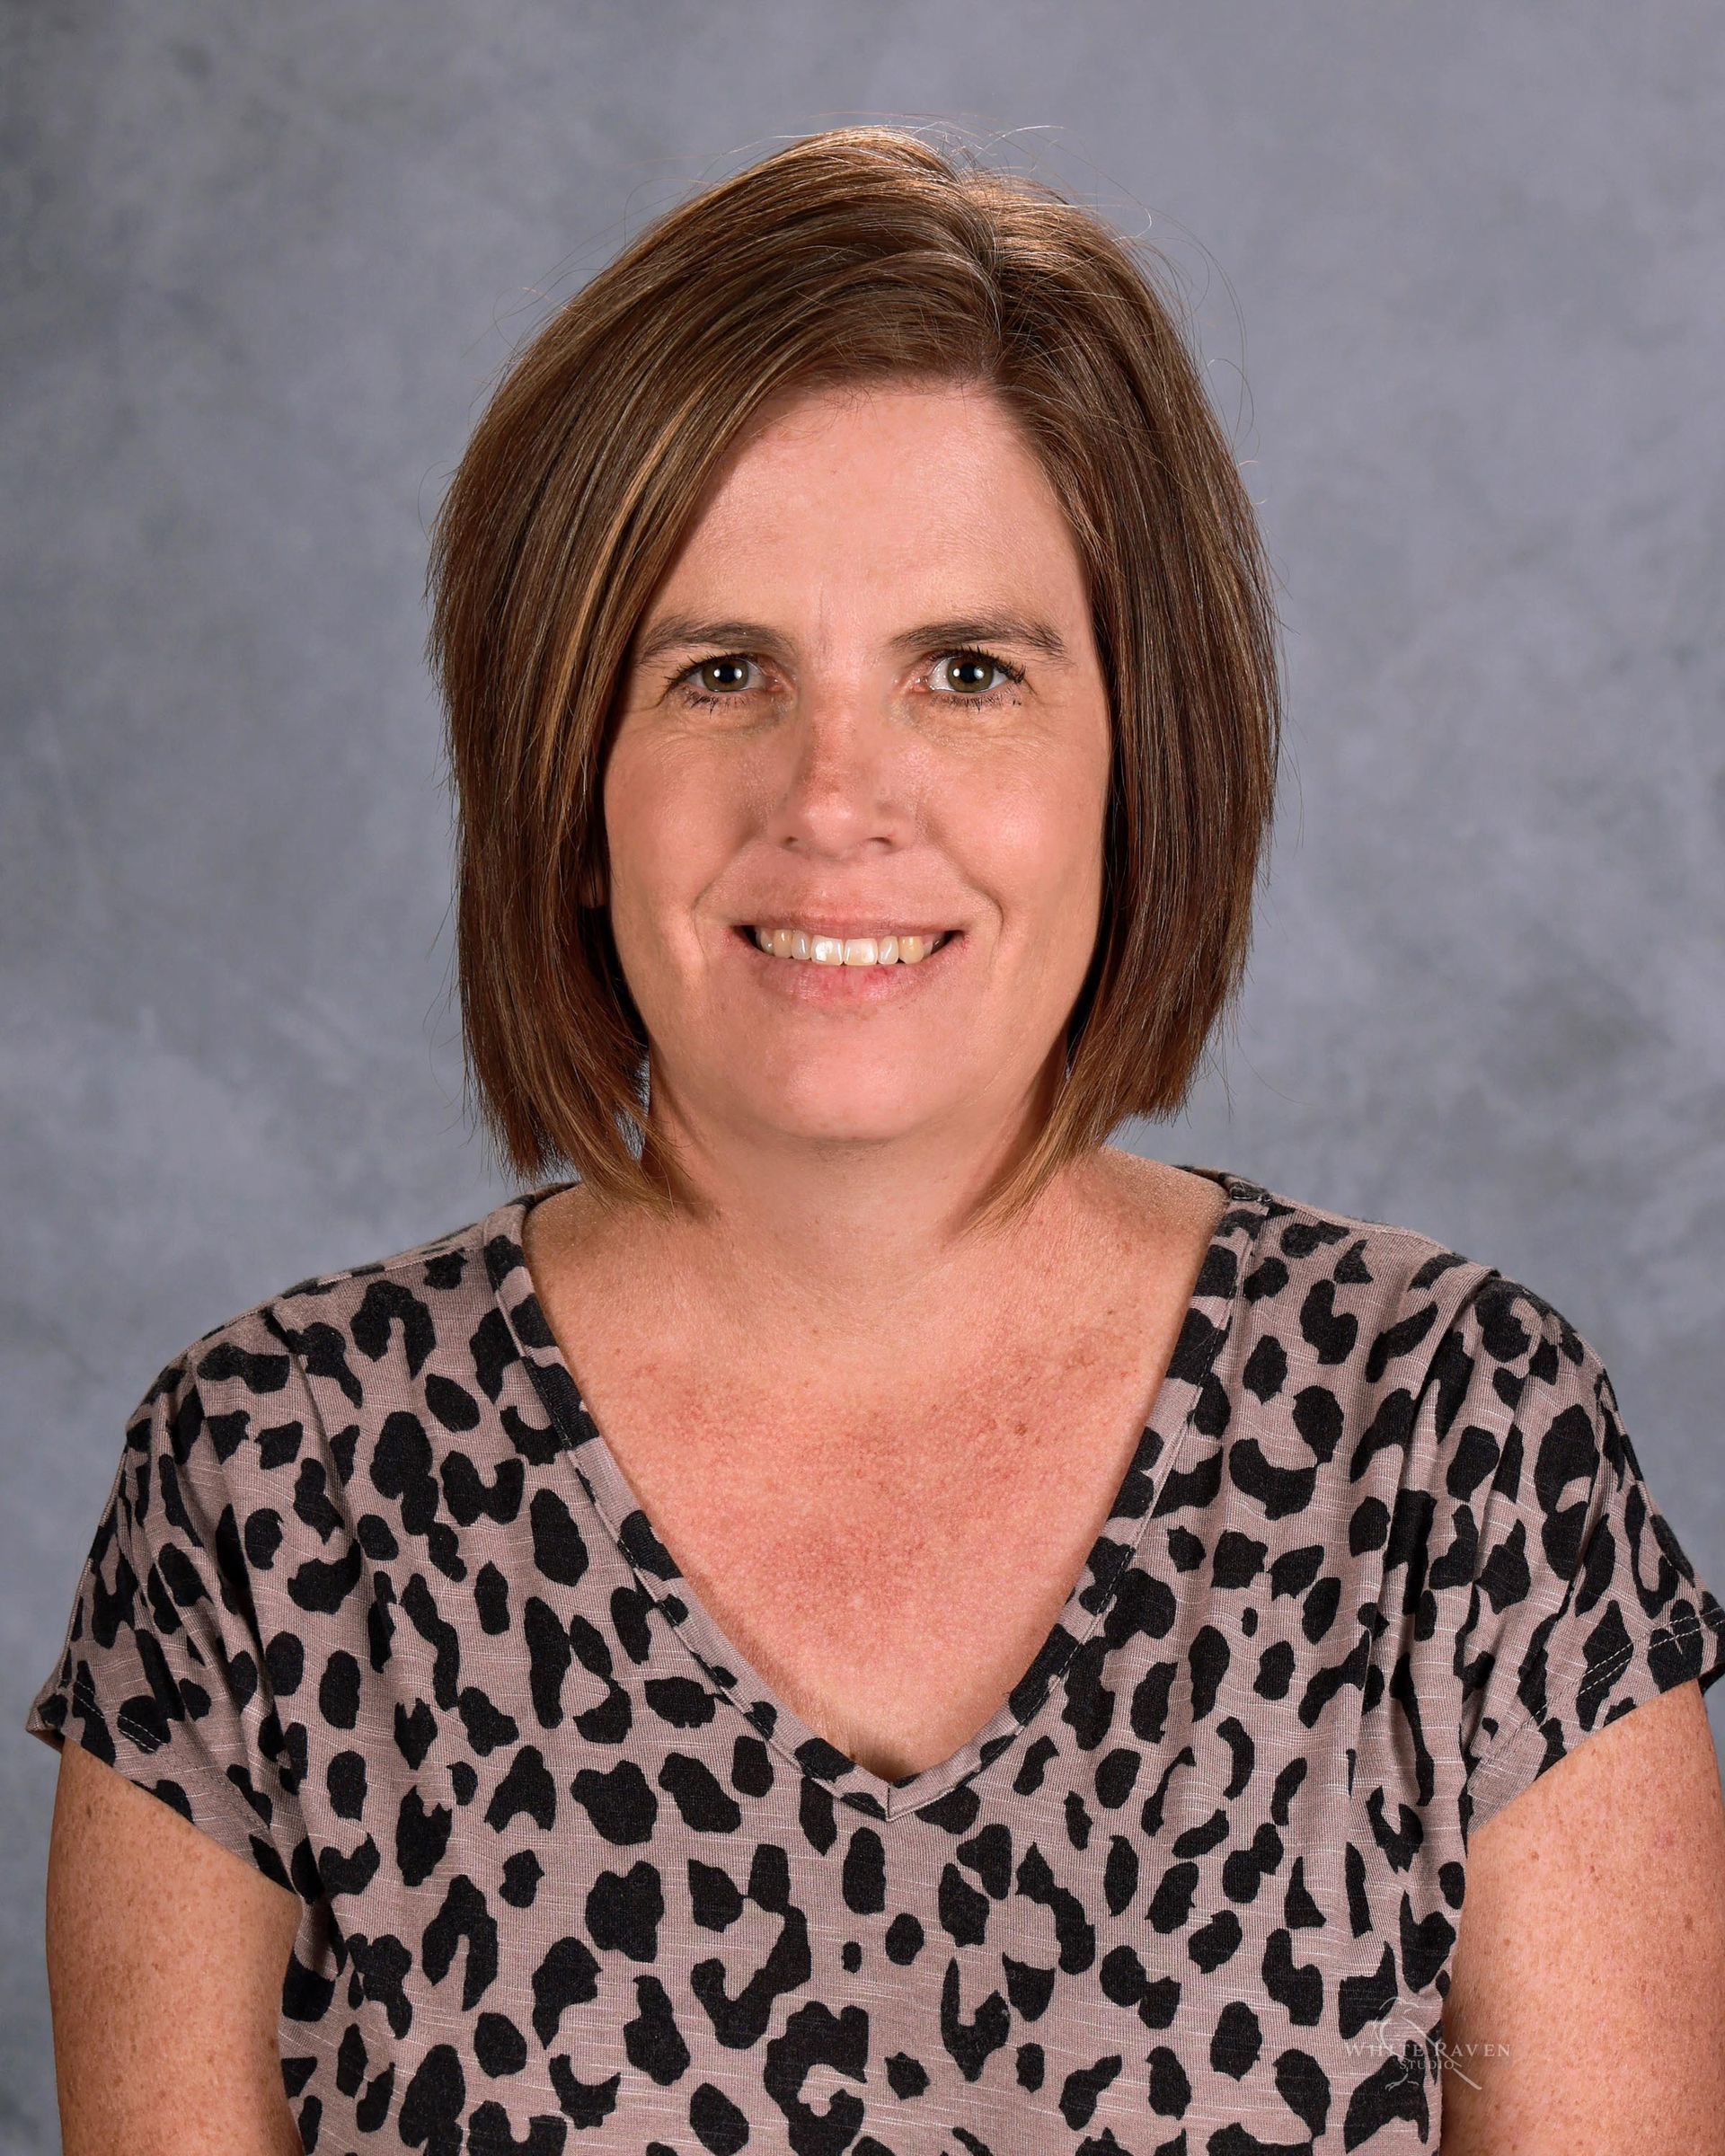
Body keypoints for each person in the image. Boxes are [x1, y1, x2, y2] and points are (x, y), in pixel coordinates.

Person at [27, 124, 1725, 2156]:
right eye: (721, 670)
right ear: (566, 773)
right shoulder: (265, 1501)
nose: (838, 800)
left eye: (969, 672)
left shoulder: (1459, 1461)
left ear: (1141, 757)